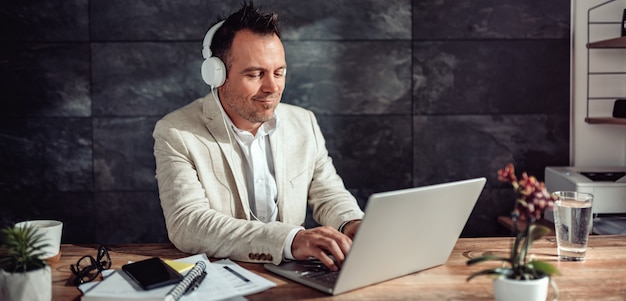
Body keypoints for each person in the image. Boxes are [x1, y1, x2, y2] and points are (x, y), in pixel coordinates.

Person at [152, 2, 364, 272]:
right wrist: (291, 239)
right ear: (216, 74)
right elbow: (188, 223)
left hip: (292, 277)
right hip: (222, 279)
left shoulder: (304, 122)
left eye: (279, 72)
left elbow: (328, 193)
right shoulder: (176, 132)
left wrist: (353, 224)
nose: (272, 87)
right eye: (254, 74)